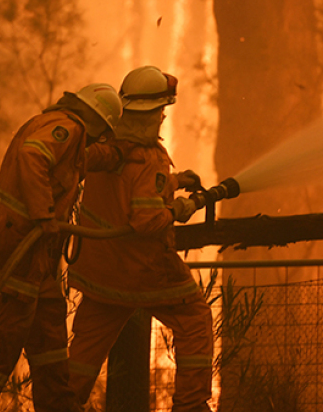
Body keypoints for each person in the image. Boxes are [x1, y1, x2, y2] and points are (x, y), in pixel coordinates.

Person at [0, 83, 125, 412]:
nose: (101, 137)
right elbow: (34, 155)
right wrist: (44, 215)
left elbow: (81, 160)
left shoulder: (59, 126)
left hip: (36, 262)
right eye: (104, 132)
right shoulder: (68, 128)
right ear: (98, 121)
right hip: (19, 253)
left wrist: (117, 156)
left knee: (50, 342)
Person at [67, 66, 212, 412]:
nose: (163, 118)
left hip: (102, 273)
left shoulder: (108, 148)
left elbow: (128, 189)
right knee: (195, 318)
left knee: (85, 349)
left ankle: (61, 405)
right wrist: (180, 208)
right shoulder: (148, 158)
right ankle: (191, 406)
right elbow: (146, 220)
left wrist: (175, 181)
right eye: (162, 110)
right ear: (152, 113)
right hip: (144, 270)